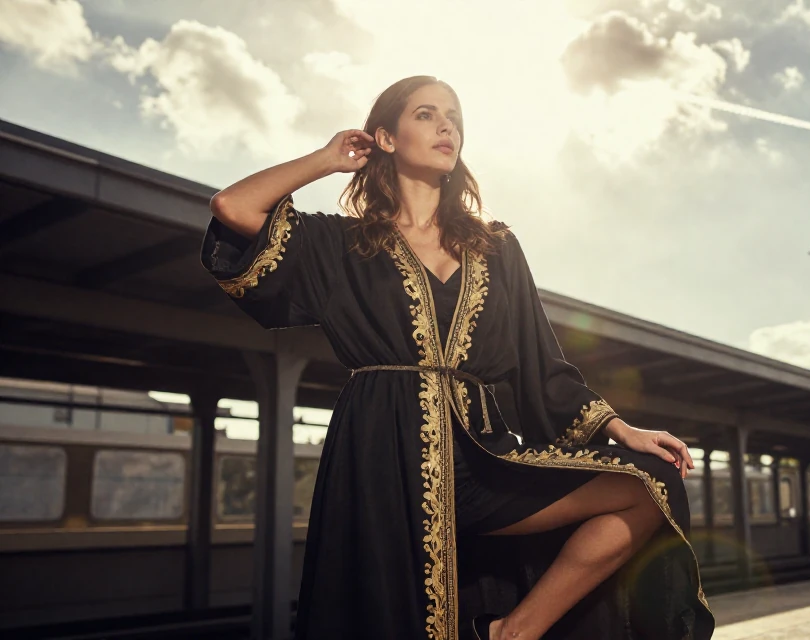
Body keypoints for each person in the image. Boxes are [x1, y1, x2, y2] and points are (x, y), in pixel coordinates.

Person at [200, 76, 714, 640]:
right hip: (381, 452)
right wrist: (327, 159)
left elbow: (540, 361)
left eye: (455, 116)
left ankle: (510, 632)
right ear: (386, 138)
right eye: (426, 114)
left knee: (648, 486)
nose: (448, 126)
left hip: (482, 454)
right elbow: (233, 206)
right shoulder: (342, 244)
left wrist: (619, 427)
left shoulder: (496, 245)